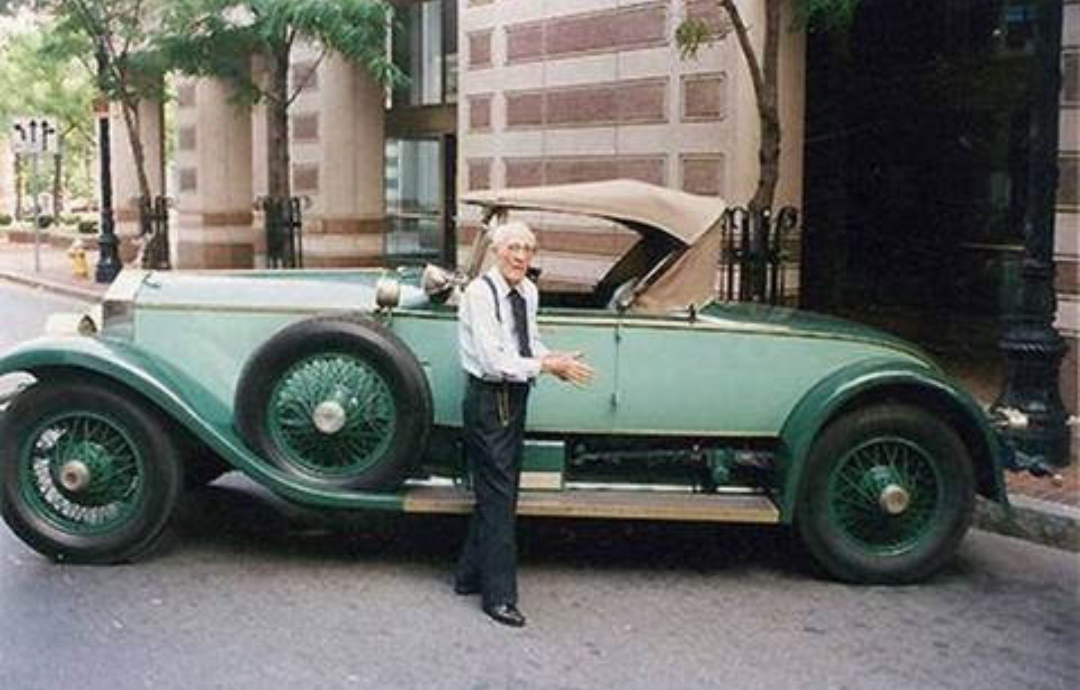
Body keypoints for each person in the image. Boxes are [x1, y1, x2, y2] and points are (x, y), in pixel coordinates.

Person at [455, 220, 593, 628]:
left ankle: (467, 575)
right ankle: (499, 597)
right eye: (513, 248)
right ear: (497, 252)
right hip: (487, 397)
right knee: (500, 496)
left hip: (516, 395)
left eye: (528, 249)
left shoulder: (528, 292)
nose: (520, 256)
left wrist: (555, 360)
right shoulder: (480, 294)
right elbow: (494, 360)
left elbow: (526, 342)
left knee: (500, 489)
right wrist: (546, 366)